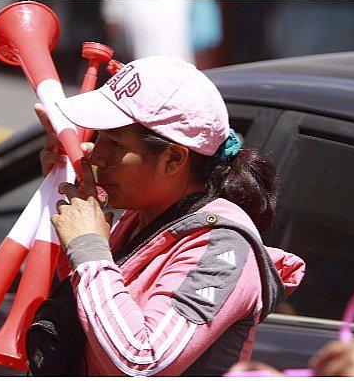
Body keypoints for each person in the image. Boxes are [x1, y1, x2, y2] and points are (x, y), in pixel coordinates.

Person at [34, 57, 305, 375]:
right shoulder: (142, 214)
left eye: (115, 143)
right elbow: (87, 301)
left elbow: (142, 360)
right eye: (99, 137)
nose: (97, 156)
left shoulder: (221, 246)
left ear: (173, 158)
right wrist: (65, 185)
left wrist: (90, 249)